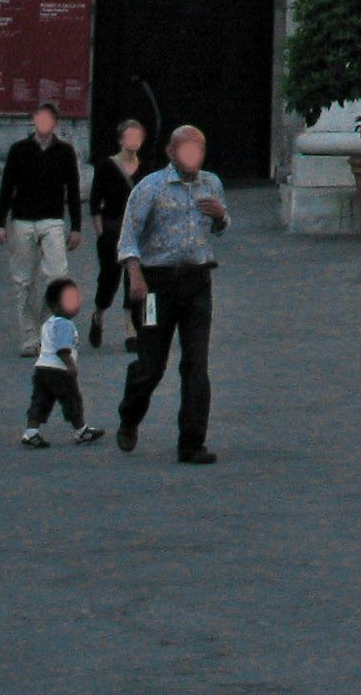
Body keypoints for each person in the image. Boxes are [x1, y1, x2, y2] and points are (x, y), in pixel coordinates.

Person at [113, 122, 229, 464]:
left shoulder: (212, 184)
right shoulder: (151, 188)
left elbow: (221, 227)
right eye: (185, 149)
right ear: (170, 152)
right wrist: (135, 276)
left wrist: (222, 217)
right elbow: (128, 237)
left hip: (197, 284)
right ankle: (130, 414)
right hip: (154, 288)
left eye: (198, 149)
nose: (192, 156)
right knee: (152, 364)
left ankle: (191, 443)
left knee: (196, 365)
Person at [0, 101, 83, 356]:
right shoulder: (19, 150)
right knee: (24, 281)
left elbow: (73, 190)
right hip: (22, 221)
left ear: (55, 123)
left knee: (58, 277)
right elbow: (7, 188)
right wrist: (0, 223)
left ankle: (47, 328)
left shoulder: (65, 152)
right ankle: (29, 336)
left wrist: (76, 226)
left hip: (52, 220)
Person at [83, 119, 148, 351]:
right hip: (112, 230)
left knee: (137, 282)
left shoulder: (146, 166)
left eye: (137, 136)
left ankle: (132, 332)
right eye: (129, 136)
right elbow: (94, 203)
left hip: (138, 233)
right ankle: (98, 316)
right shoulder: (106, 166)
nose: (134, 141)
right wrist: (101, 233)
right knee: (109, 281)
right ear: (121, 140)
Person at [22, 277, 100, 448]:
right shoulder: (64, 324)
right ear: (57, 306)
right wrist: (71, 366)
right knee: (72, 399)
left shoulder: (48, 323)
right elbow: (62, 349)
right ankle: (81, 430)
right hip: (59, 370)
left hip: (42, 369)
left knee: (41, 399)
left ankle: (31, 432)